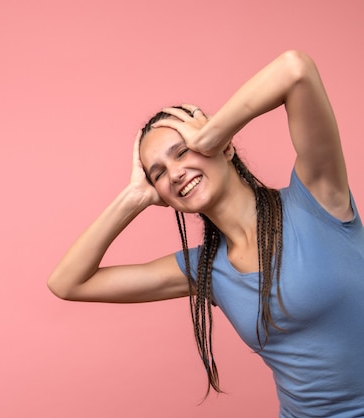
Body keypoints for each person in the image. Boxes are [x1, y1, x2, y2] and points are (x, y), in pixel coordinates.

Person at [47, 50, 364, 417]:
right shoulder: (206, 270)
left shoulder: (317, 198)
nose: (176, 173)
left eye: (182, 152)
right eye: (159, 173)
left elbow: (295, 69)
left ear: (224, 146)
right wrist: (134, 196)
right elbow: (67, 283)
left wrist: (212, 131)